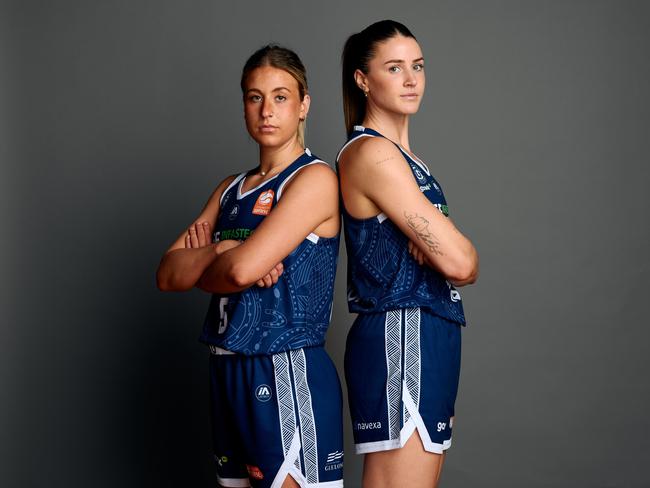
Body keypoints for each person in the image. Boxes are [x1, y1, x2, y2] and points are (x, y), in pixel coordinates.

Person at [157, 45, 343, 488]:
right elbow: (166, 274)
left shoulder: (314, 179)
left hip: (284, 367)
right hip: (225, 368)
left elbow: (240, 274)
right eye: (254, 97)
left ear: (303, 105)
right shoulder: (230, 189)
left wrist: (220, 260)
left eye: (280, 96)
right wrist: (221, 251)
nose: (266, 110)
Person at [337, 20, 479, 488]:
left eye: (417, 66)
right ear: (363, 79)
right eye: (394, 68)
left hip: (428, 330)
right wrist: (444, 245)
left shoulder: (408, 161)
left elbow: (452, 258)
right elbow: (461, 261)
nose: (411, 79)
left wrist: (441, 246)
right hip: (402, 334)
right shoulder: (372, 155)